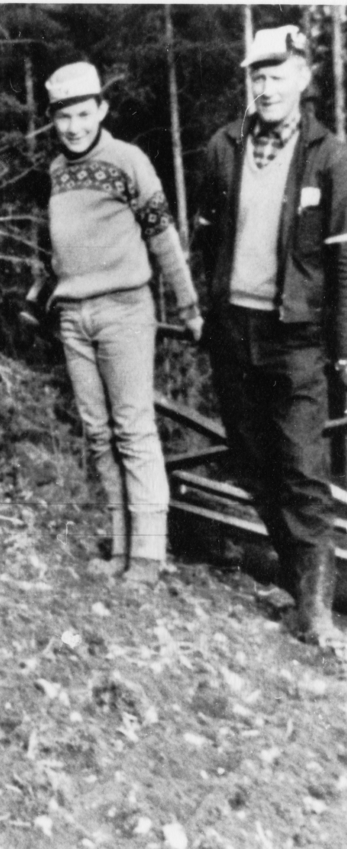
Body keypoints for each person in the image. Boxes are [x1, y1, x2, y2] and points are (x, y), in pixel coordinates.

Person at [194, 26, 347, 647]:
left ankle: (315, 613)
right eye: (257, 75)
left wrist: (342, 350)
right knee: (252, 461)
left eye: (278, 74)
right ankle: (297, 588)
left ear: (304, 78)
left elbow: (342, 265)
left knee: (303, 469)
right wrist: (210, 308)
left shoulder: (329, 156)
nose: (266, 87)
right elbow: (205, 235)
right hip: (235, 329)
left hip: (297, 336)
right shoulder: (223, 148)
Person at [40, 61, 203, 583]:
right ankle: (121, 549)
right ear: (53, 119)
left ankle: (149, 557)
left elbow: (163, 238)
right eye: (63, 117)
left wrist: (190, 307)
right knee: (97, 434)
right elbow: (69, 245)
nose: (74, 127)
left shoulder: (129, 161)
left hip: (125, 312)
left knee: (133, 429)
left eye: (83, 114)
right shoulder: (57, 171)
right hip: (73, 316)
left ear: (102, 110)